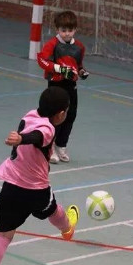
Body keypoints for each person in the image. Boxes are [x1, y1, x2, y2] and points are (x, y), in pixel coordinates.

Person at [0, 87, 80, 265]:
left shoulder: (29, 115)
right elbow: (37, 137)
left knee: (3, 234)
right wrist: (22, 138)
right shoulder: (49, 129)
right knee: (53, 209)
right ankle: (67, 229)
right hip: (34, 189)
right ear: (60, 114)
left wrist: (20, 137)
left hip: (10, 185)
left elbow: (31, 134)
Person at [37, 10, 89, 164]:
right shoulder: (52, 44)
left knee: (70, 115)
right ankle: (50, 146)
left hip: (71, 85)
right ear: (57, 29)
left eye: (70, 30)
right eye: (63, 30)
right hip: (56, 84)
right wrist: (61, 69)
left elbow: (78, 65)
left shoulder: (79, 47)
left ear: (75, 30)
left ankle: (61, 145)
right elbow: (42, 61)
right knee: (56, 116)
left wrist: (81, 71)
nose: (67, 34)